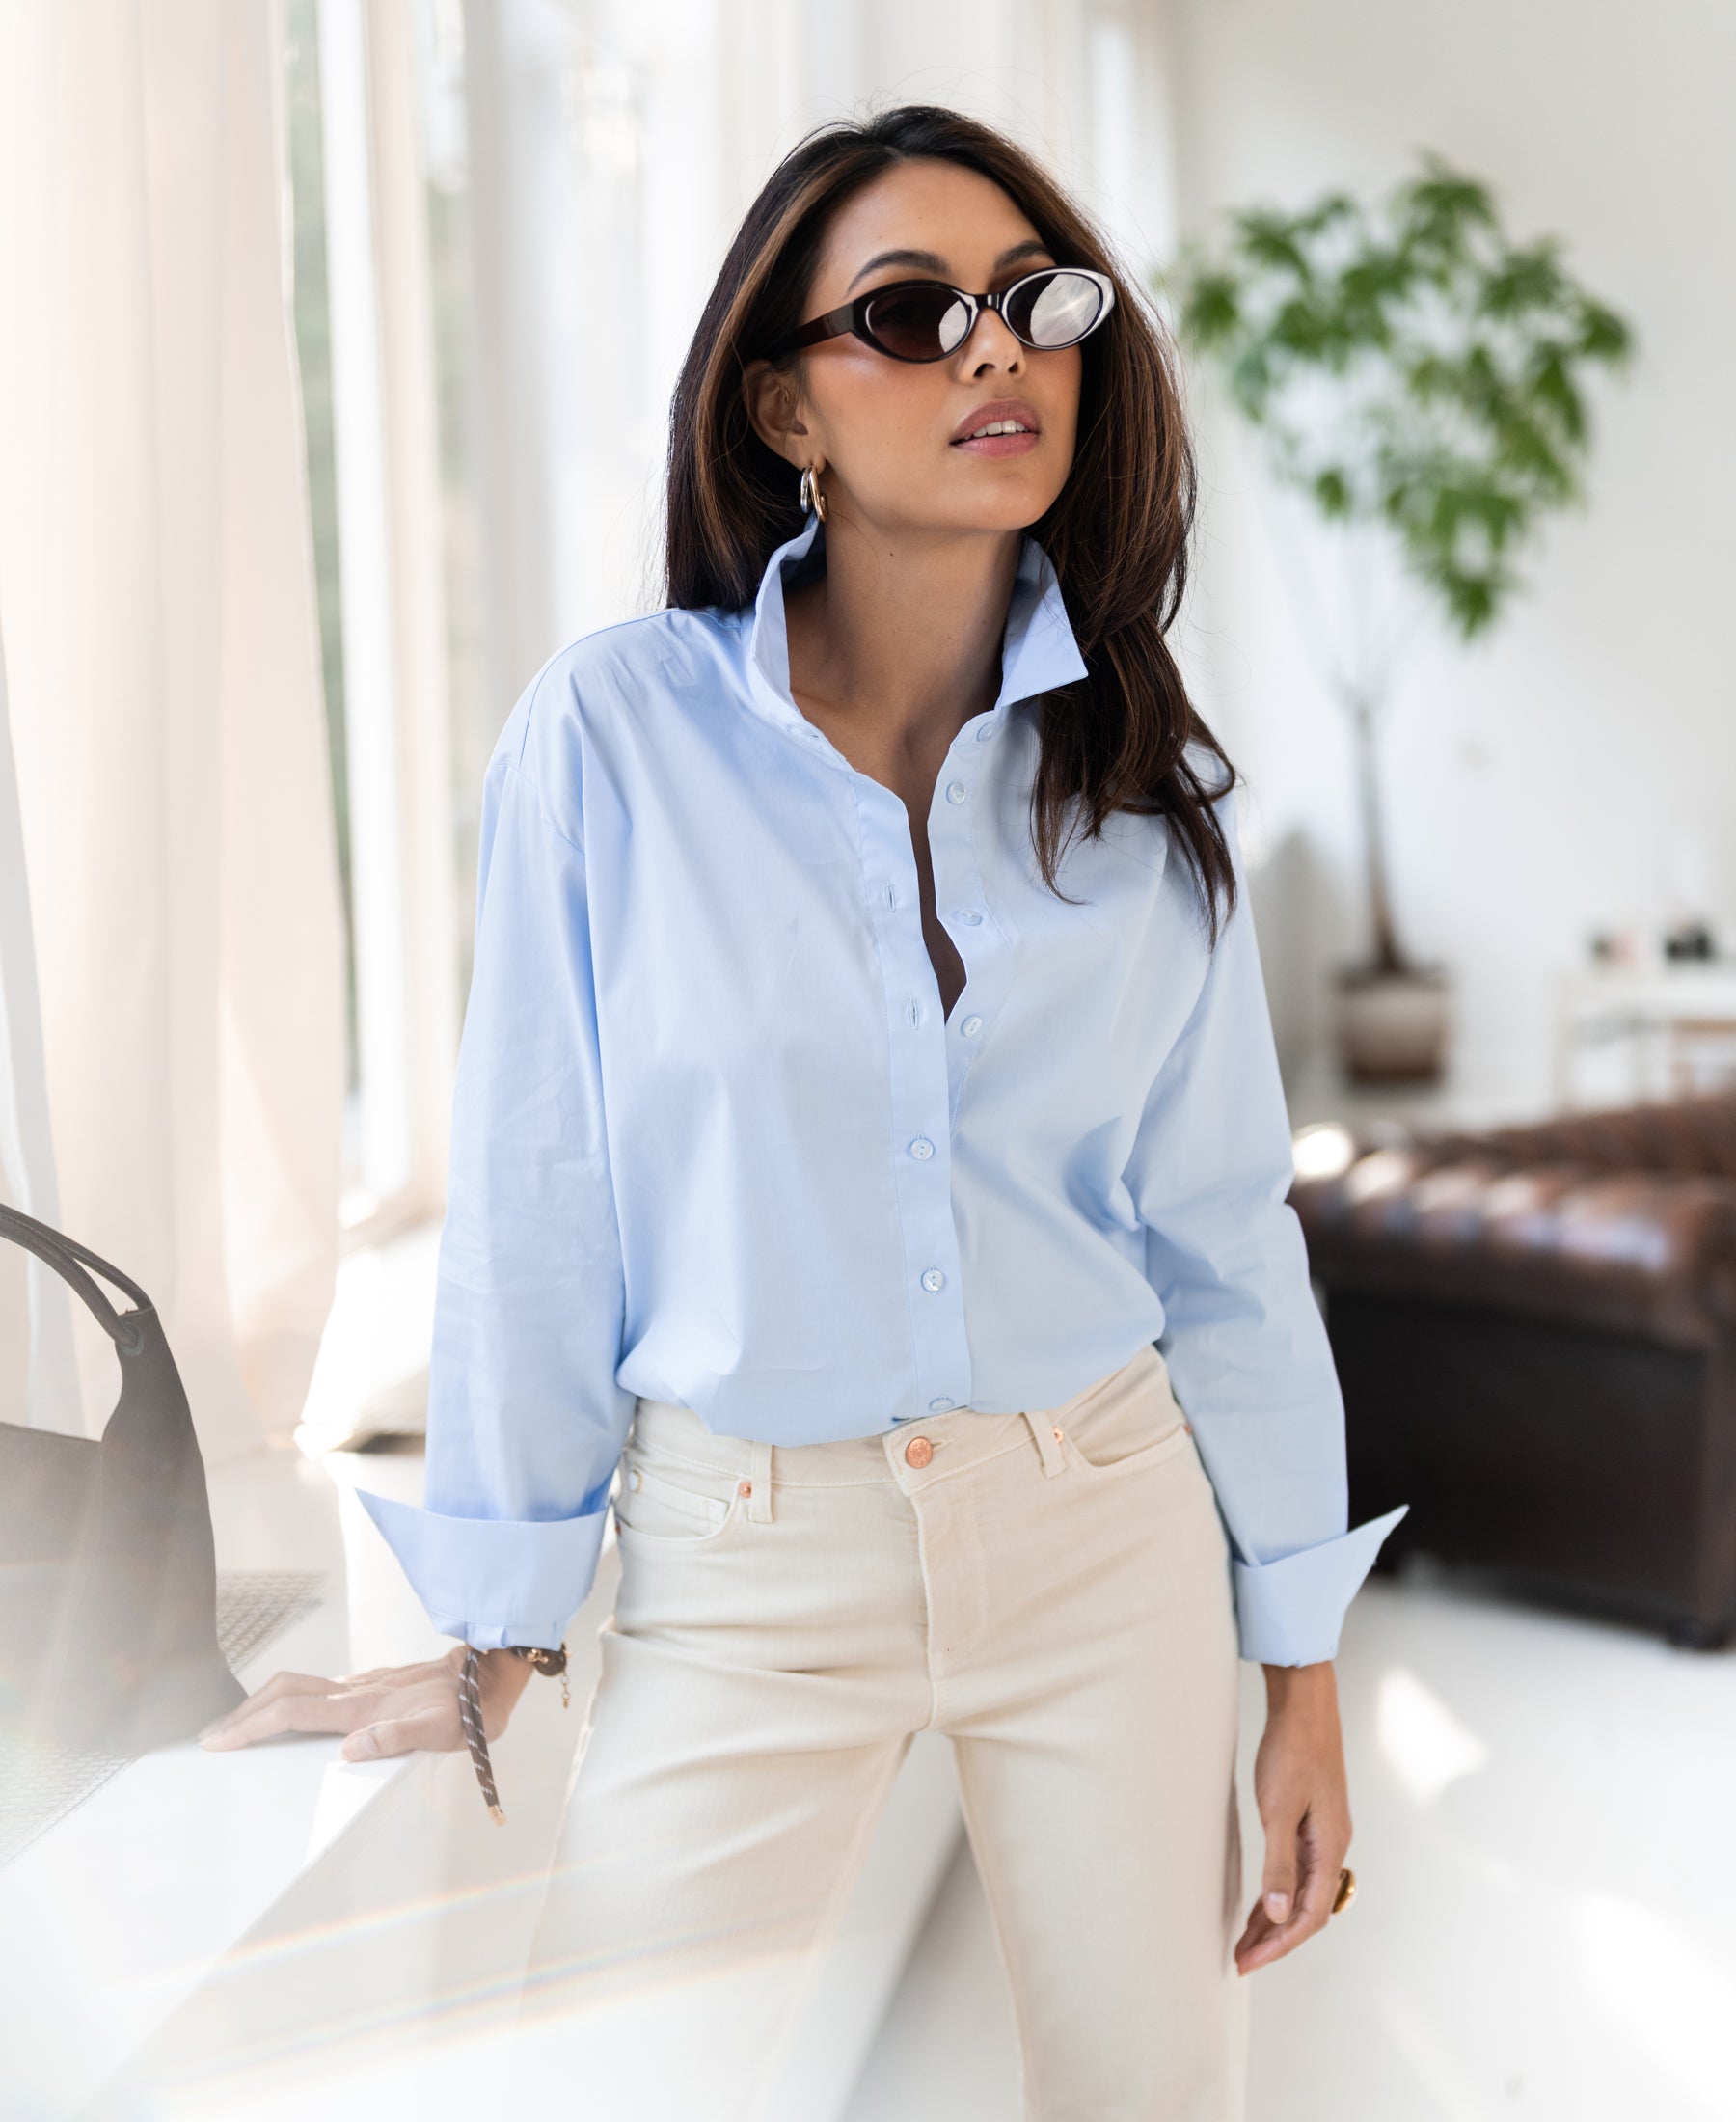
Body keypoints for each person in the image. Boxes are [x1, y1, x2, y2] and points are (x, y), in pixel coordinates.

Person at [202, 103, 1406, 2119]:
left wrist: (1300, 1675)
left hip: (1101, 1525)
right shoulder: (610, 738)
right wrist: (496, 1629)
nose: (995, 349)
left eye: (1034, 302)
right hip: (739, 1561)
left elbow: (1222, 1235)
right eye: (913, 314)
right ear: (784, 408)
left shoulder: (1141, 784)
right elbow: (541, 1195)